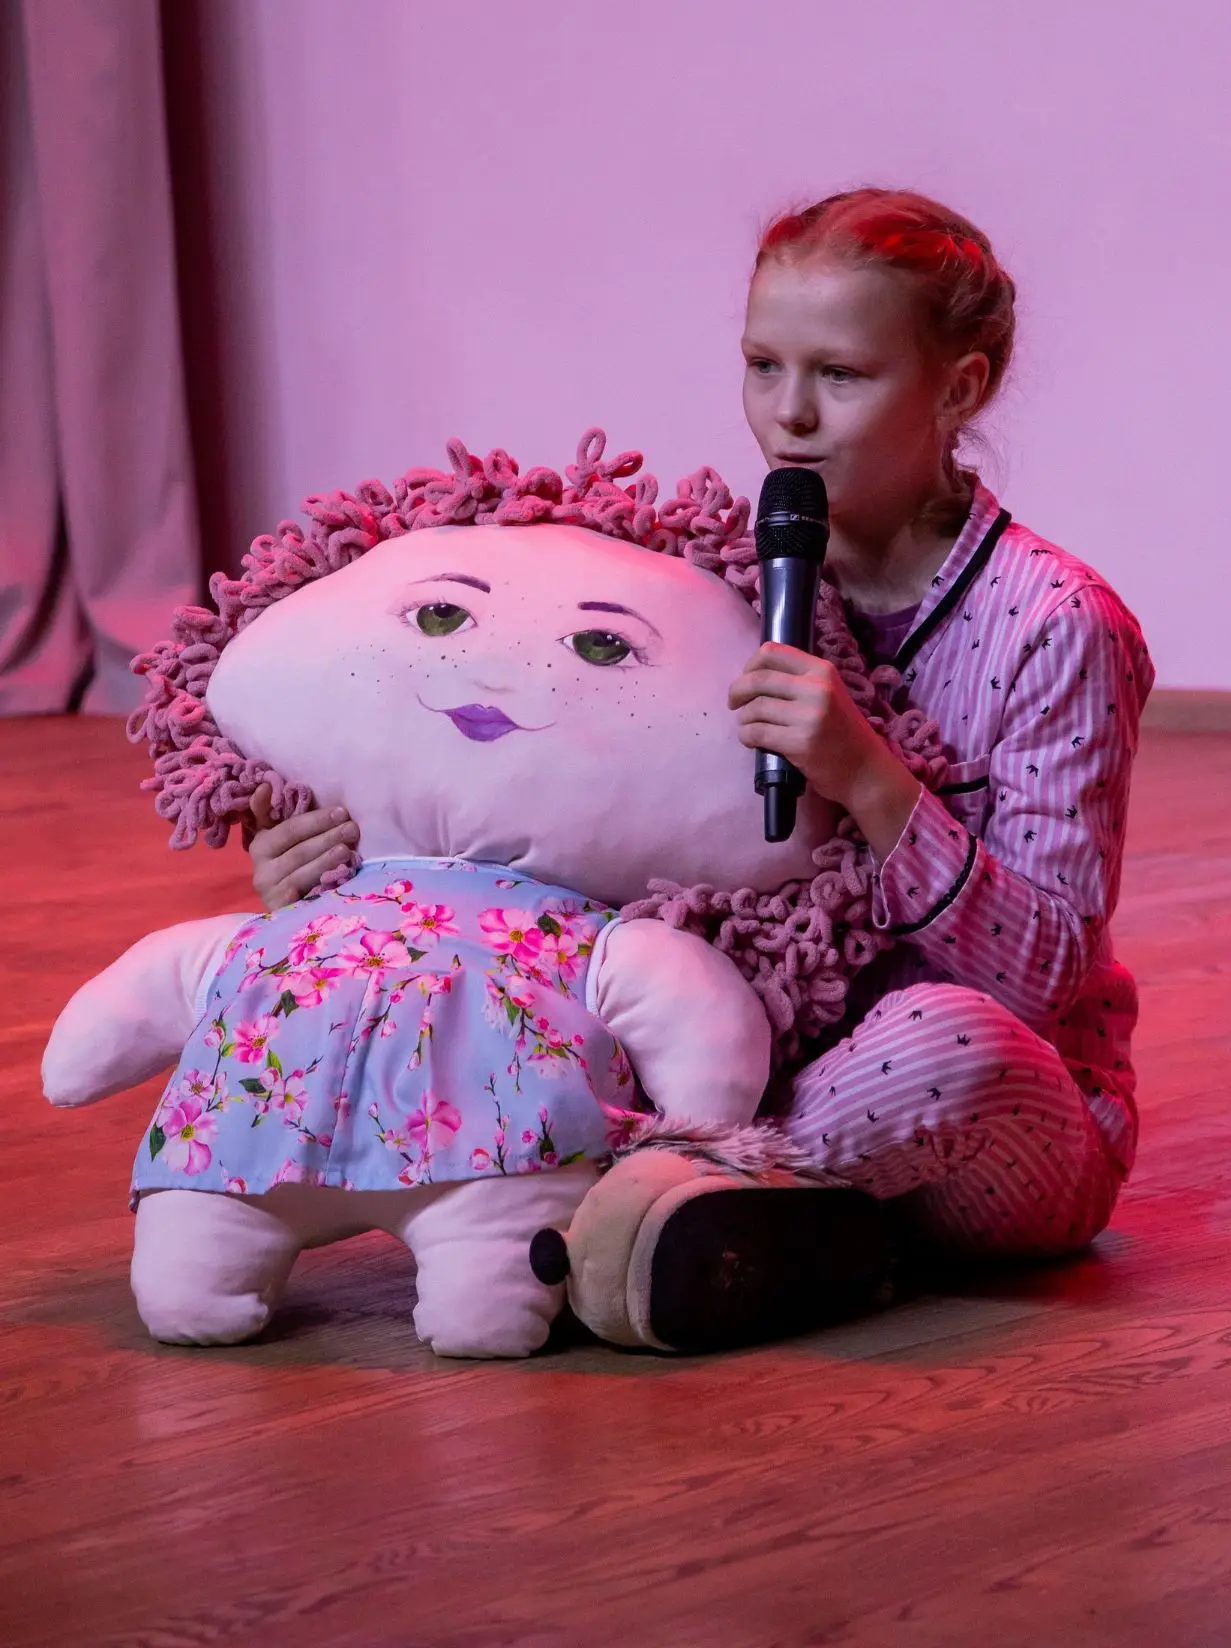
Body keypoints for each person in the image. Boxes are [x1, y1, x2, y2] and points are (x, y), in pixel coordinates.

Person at [246, 187, 1153, 1310]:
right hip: (741, 1067)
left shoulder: (1056, 624)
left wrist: (872, 782)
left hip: (997, 1117)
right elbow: (584, 838)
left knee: (946, 1039)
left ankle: (630, 1201)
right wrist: (348, 880)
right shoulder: (708, 585)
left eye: (841, 375)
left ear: (957, 388)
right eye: (763, 366)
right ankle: (740, 1226)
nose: (789, 416)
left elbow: (1050, 981)